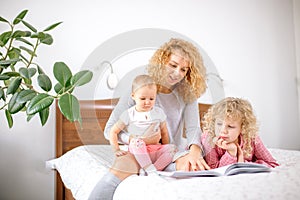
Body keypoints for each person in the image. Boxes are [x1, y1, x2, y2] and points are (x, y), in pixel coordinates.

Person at [89, 38, 210, 200]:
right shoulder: (140, 87)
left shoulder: (187, 94)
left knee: (192, 167)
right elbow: (109, 128)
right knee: (116, 174)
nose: (177, 73)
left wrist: (195, 151)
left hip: (168, 153)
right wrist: (133, 139)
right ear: (161, 62)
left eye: (183, 70)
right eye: (173, 65)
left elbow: (193, 128)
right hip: (137, 152)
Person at [109, 74, 177, 175]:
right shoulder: (129, 114)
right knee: (136, 142)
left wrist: (163, 148)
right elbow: (113, 131)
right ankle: (148, 168)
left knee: (173, 148)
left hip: (154, 150)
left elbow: (164, 133)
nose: (147, 102)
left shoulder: (159, 113)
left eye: (151, 99)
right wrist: (116, 149)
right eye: (143, 98)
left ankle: (155, 168)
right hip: (138, 150)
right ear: (133, 96)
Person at [201, 97, 279, 169]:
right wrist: (231, 152)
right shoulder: (209, 139)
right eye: (219, 124)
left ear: (243, 127)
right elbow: (213, 170)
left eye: (230, 126)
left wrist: (243, 163)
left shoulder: (251, 137)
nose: (223, 130)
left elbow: (272, 164)